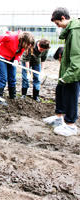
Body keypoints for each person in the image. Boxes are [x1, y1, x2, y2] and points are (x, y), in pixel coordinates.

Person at [43, 7, 80, 137]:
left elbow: (77, 55)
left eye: (58, 23)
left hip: (74, 71)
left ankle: (70, 125)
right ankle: (59, 117)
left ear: (63, 18)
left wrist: (70, 74)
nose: (58, 26)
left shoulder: (76, 30)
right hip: (67, 69)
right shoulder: (69, 31)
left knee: (71, 95)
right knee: (60, 90)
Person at [0, 31, 35, 106]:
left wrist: (17, 59)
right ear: (24, 40)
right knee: (3, 78)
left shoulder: (24, 45)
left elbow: (19, 53)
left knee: (13, 78)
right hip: (2, 57)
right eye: (28, 44)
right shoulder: (11, 37)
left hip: (12, 59)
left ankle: (12, 96)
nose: (29, 46)